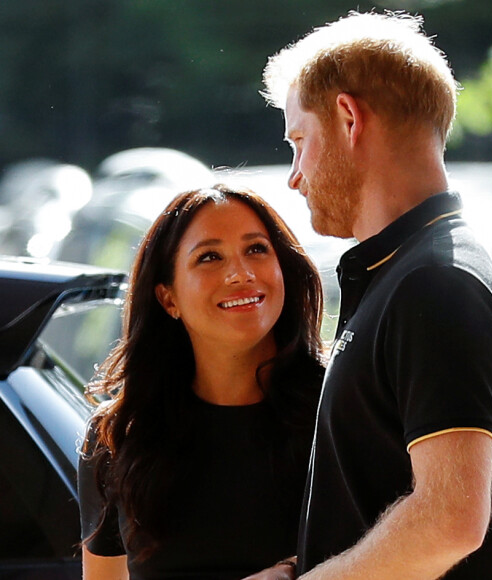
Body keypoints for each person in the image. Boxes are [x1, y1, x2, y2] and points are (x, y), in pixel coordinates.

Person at [261, 11, 492, 579]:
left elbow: (451, 521)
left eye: (299, 140)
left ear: (347, 117)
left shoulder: (436, 282)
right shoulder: (406, 272)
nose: (293, 175)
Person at [78, 184, 325, 580]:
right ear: (168, 298)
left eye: (257, 249)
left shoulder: (341, 410)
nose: (241, 273)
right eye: (209, 257)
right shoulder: (121, 435)